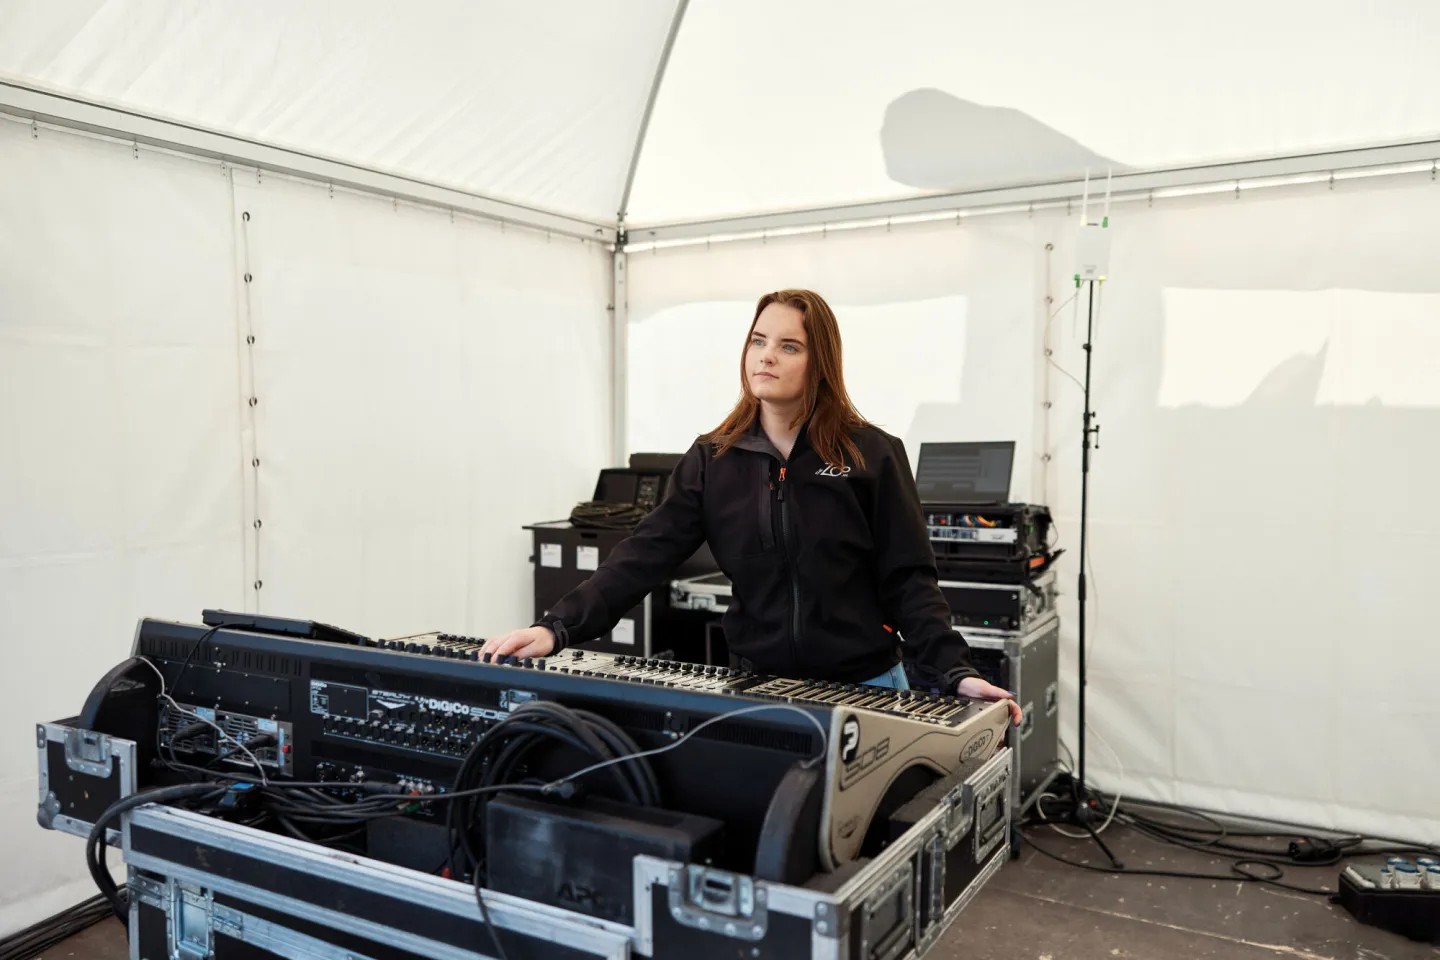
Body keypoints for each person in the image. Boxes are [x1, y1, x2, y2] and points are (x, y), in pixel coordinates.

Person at [484, 289, 1022, 725]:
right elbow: (644, 554)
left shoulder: (872, 454)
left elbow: (909, 578)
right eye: (758, 341)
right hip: (755, 687)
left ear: (820, 363)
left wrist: (955, 672)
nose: (766, 355)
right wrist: (558, 628)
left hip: (867, 690)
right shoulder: (713, 458)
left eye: (789, 346)